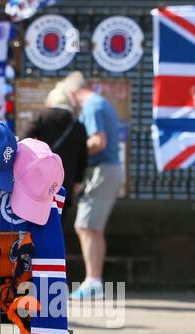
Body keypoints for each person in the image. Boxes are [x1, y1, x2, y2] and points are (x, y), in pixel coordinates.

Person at [67, 73, 125, 300]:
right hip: (108, 170)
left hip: (103, 170)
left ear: (73, 93)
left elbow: (98, 141)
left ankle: (93, 281)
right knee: (93, 228)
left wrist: (77, 154)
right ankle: (94, 281)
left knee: (85, 226)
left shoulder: (91, 106)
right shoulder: (101, 103)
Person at [22, 84, 88, 234]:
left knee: (35, 222)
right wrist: (77, 181)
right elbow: (83, 158)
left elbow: (24, 142)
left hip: (40, 180)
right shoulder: (78, 125)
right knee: (58, 224)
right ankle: (55, 254)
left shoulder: (41, 116)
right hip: (65, 181)